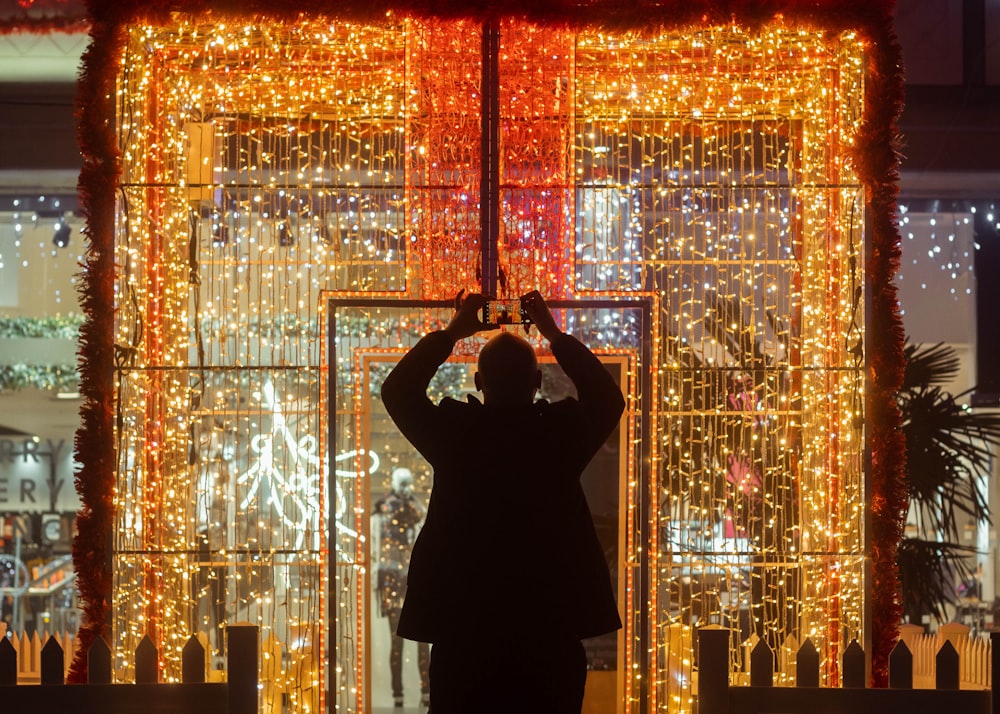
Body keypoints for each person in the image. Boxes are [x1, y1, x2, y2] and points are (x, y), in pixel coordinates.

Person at [380, 290, 625, 714]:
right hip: (551, 628)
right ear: (537, 383)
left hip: (465, 631)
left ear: (479, 383)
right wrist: (553, 334)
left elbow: (398, 391)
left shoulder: (456, 436)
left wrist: (454, 332)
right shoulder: (559, 437)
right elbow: (608, 399)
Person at [372, 467, 430, 708]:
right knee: (402, 641)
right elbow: (376, 547)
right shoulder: (386, 510)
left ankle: (422, 692)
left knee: (419, 640)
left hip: (408, 579)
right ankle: (403, 693)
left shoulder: (415, 510)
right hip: (396, 579)